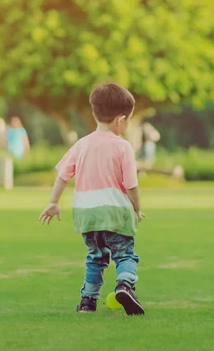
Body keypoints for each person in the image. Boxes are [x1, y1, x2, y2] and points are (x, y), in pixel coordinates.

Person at [38, 83, 145, 316]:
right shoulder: (123, 147)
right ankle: (125, 286)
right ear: (120, 120)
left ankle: (87, 302)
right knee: (125, 254)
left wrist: (54, 202)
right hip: (115, 211)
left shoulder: (81, 144)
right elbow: (131, 184)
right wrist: (137, 208)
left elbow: (63, 175)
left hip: (86, 213)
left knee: (95, 257)